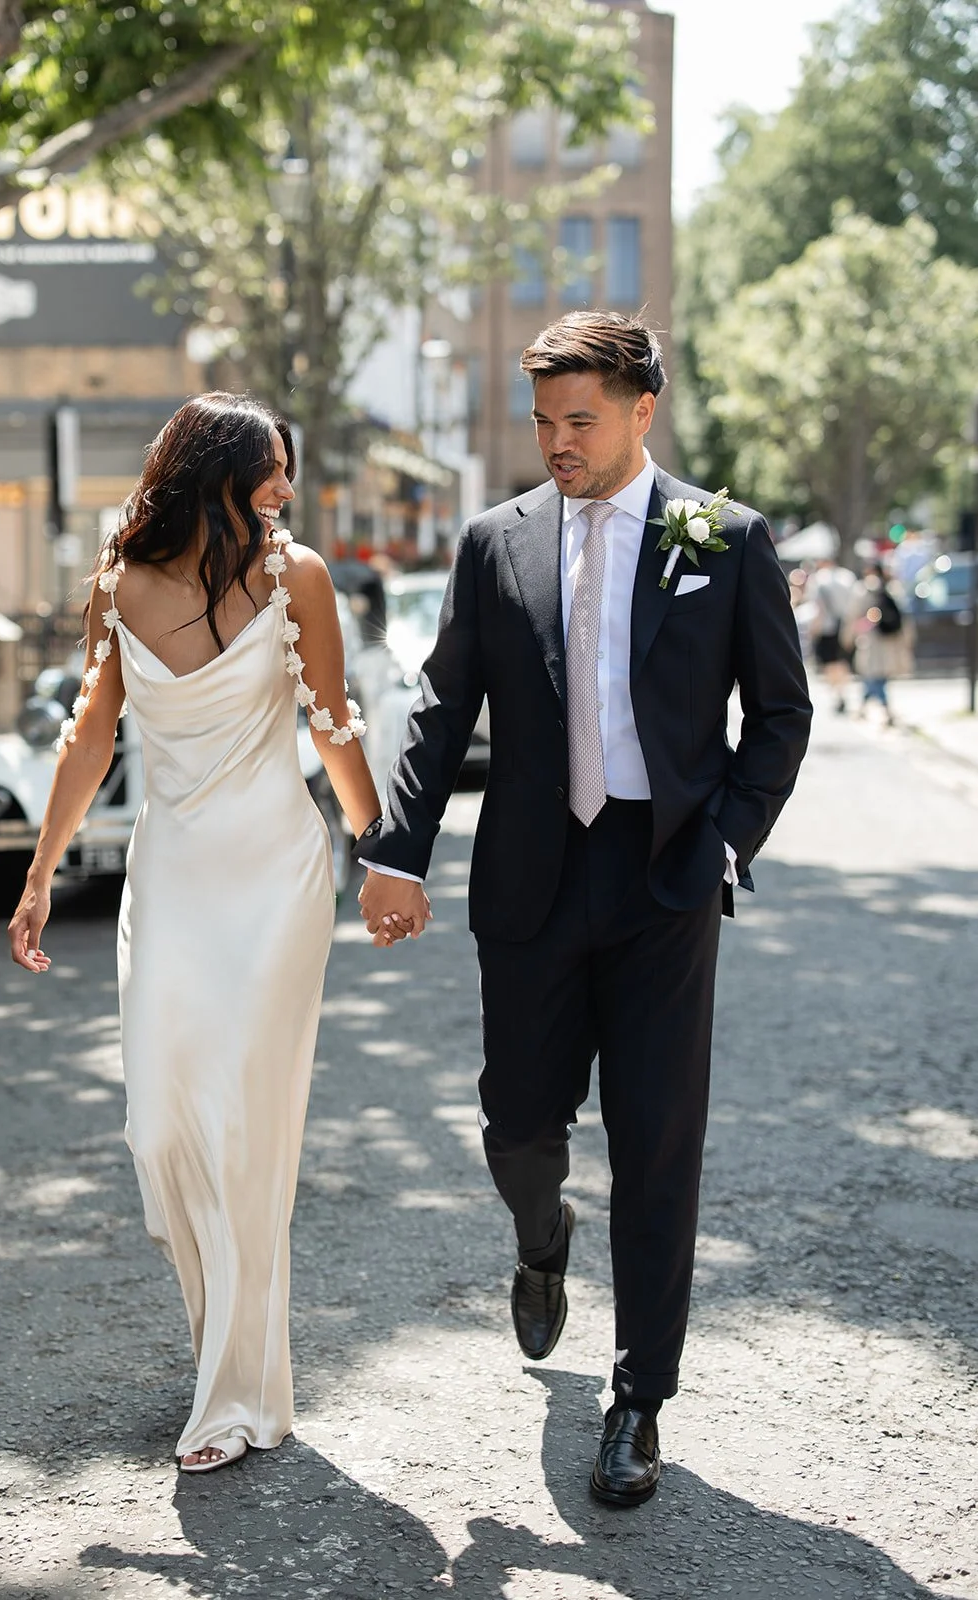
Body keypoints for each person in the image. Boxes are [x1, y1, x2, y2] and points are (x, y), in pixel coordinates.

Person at [357, 312, 812, 1506]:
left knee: (657, 1141)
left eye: (581, 420)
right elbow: (443, 708)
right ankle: (540, 1236)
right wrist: (396, 852)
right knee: (517, 1126)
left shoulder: (726, 538)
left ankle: (639, 1399)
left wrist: (724, 844)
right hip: (530, 878)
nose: (558, 442)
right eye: (543, 422)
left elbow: (780, 713)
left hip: (666, 881)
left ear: (641, 411)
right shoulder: (492, 543)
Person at [7, 394, 384, 1473]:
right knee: (162, 1127)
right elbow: (89, 738)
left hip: (275, 876)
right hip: (170, 878)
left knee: (242, 1127)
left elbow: (332, 725)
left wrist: (380, 855)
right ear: (213, 472)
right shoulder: (117, 584)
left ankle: (236, 1394)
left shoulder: (296, 577)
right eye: (272, 469)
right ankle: (231, 1356)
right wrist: (39, 874)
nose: (286, 489)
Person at [840, 558, 913, 726]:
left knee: (873, 676)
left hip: (870, 641)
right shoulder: (893, 589)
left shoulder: (863, 590)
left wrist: (848, 638)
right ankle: (867, 707)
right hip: (890, 641)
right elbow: (904, 618)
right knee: (877, 677)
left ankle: (883, 709)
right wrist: (907, 640)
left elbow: (852, 616)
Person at [805, 555, 856, 713]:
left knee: (829, 663)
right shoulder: (848, 577)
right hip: (846, 626)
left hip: (826, 628)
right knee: (842, 662)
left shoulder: (818, 580)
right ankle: (843, 691)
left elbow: (818, 608)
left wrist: (813, 630)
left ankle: (837, 694)